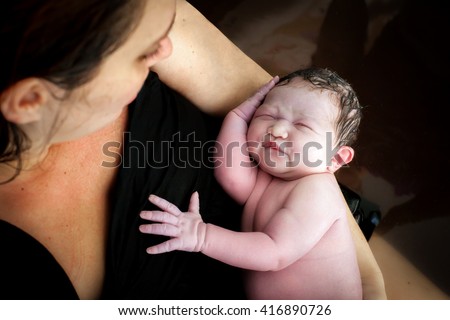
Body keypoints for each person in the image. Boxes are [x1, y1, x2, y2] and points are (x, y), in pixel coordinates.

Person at [0, 0, 385, 299]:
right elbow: (232, 174)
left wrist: (371, 284)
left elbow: (280, 250)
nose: (163, 50)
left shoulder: (311, 181)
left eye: (163, 29)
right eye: (141, 52)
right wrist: (243, 112)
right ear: (32, 99)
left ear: (336, 160)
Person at [140, 68, 363, 299]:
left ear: (335, 158)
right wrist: (238, 117)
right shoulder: (273, 175)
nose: (277, 130)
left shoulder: (318, 193)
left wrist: (201, 235)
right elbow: (232, 177)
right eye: (268, 116)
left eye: (302, 126)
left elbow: (274, 252)